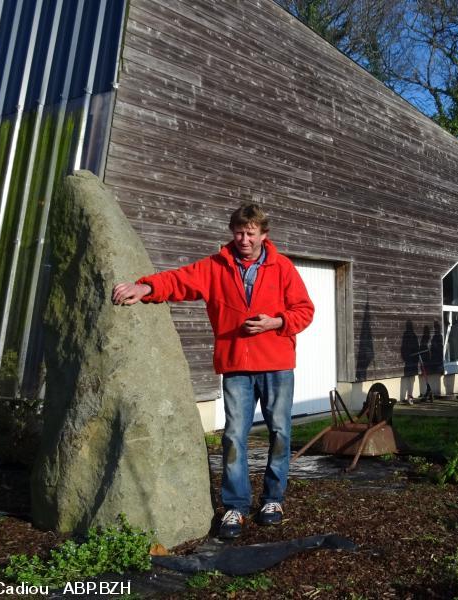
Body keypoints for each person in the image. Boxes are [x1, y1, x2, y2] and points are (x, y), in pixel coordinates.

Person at [112, 203, 314, 539]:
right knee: (234, 435)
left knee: (280, 432)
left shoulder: (283, 268)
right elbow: (179, 281)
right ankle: (235, 506)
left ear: (264, 235)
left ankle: (273, 500)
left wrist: (276, 322)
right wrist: (145, 287)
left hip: (277, 365)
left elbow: (304, 310)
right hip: (235, 365)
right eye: (238, 232)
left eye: (250, 233)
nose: (243, 239)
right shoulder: (215, 267)